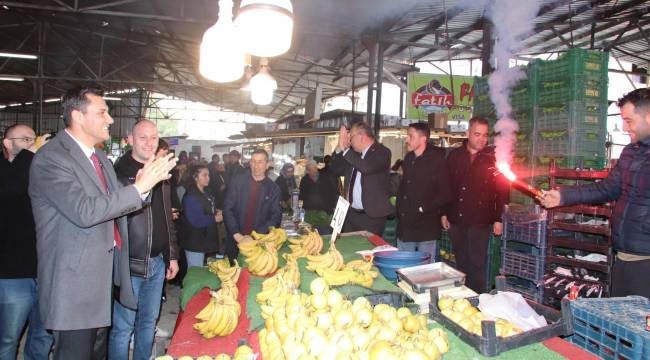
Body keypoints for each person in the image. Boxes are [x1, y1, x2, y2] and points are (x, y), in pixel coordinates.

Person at [28, 86, 176, 360]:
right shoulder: (52, 159)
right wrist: (139, 187)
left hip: (101, 283)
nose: (109, 119)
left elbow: (116, 209)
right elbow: (84, 211)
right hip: (73, 286)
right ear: (78, 116)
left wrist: (145, 188)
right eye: (102, 112)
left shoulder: (99, 160)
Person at [540, 88, 650, 298]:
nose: (625, 127)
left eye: (629, 121)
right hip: (623, 259)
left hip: (646, 263)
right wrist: (563, 196)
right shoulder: (630, 152)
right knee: (620, 325)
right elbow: (607, 188)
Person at [109, 120, 180, 360]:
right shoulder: (118, 173)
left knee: (148, 323)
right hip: (129, 263)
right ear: (129, 139)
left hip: (158, 262)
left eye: (154, 137)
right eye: (143, 137)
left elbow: (166, 217)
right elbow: (115, 219)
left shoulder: (161, 171)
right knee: (123, 327)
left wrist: (172, 254)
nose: (150, 143)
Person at [0, 125, 53, 359]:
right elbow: (9, 189)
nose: (32, 143)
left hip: (44, 270)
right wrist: (32, 153)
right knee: (8, 338)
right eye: (25, 139)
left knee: (43, 335)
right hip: (12, 274)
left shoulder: (41, 174)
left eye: (34, 139)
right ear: (7, 143)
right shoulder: (5, 171)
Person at [441, 117, 509, 293]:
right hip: (457, 219)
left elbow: (502, 190)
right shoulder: (454, 156)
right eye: (477, 134)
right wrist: (444, 213)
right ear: (467, 134)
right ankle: (462, 298)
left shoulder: (493, 158)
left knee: (477, 265)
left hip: (480, 221)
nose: (482, 139)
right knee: (461, 263)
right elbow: (446, 186)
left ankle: (477, 301)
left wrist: (498, 218)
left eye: (485, 135)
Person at [397, 123, 451, 262]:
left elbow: (445, 193)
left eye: (411, 136)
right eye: (407, 136)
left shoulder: (438, 160)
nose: (407, 139)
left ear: (423, 139)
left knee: (425, 269)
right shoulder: (408, 159)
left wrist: (423, 208)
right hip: (406, 225)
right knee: (403, 266)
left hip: (426, 225)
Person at [329, 122, 394, 235]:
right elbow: (335, 169)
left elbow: (367, 168)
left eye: (351, 137)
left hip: (371, 216)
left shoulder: (382, 152)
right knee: (348, 248)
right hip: (350, 214)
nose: (349, 140)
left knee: (366, 250)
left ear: (361, 136)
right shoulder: (354, 154)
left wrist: (346, 150)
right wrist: (339, 149)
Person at [223, 149, 281, 263]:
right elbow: (227, 208)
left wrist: (253, 237)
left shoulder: (273, 189)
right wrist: (236, 234)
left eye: (260, 162)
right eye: (253, 161)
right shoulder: (238, 182)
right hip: (235, 240)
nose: (256, 165)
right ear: (249, 163)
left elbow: (275, 218)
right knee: (232, 274)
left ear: (267, 164)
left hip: (259, 242)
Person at [179, 164, 222, 268]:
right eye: (204, 175)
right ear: (195, 177)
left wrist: (215, 211)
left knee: (201, 270)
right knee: (195, 273)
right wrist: (215, 218)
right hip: (194, 241)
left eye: (208, 175)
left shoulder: (206, 191)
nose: (208, 178)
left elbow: (205, 208)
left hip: (204, 239)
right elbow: (196, 221)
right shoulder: (191, 195)